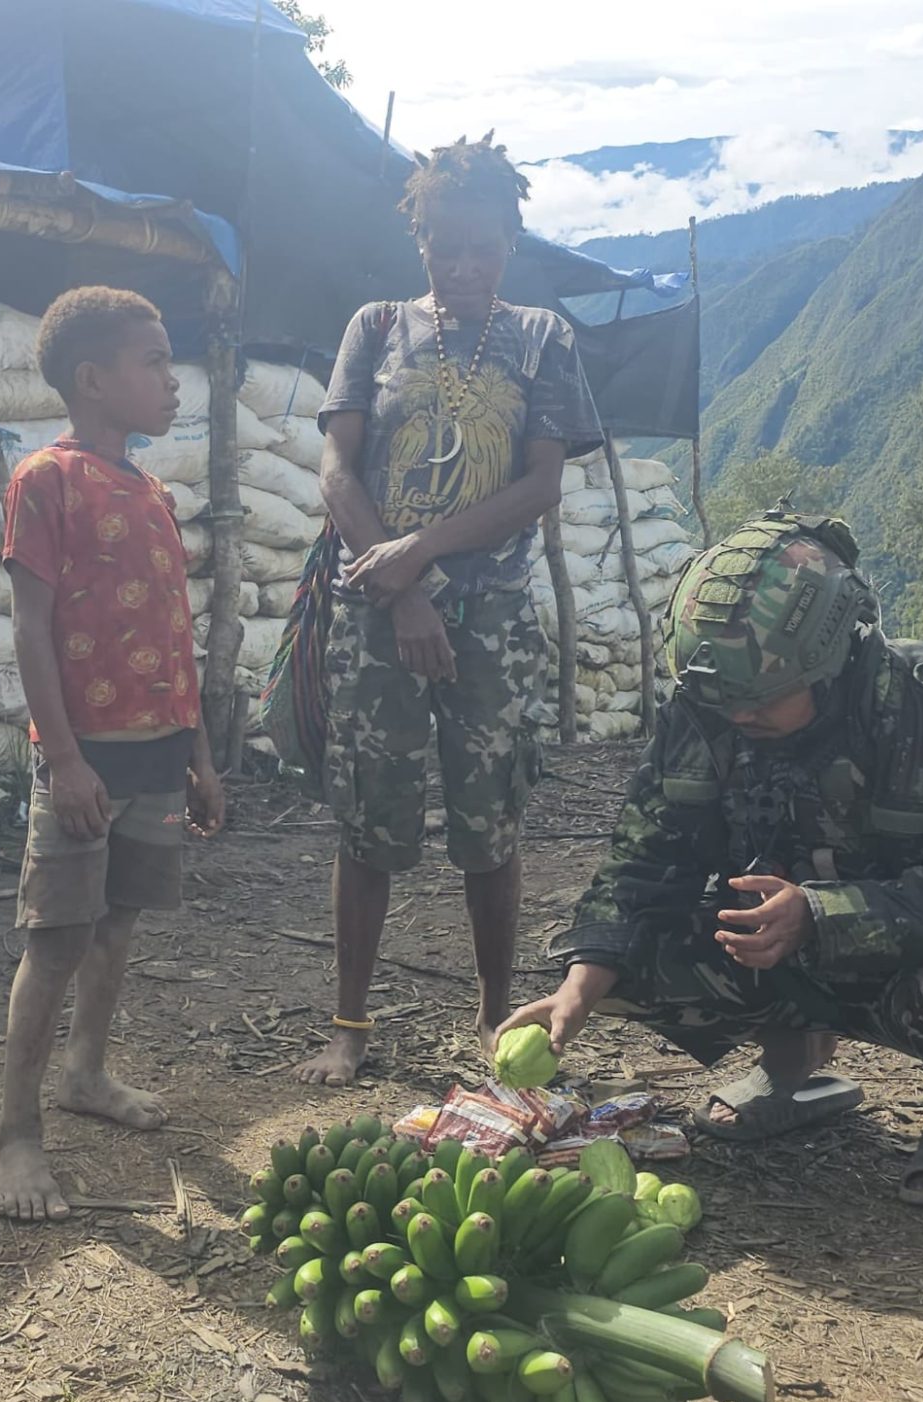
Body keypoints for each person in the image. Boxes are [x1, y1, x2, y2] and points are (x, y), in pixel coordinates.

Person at [499, 508, 923, 1209]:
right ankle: (793, 1069)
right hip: (778, 954)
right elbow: (644, 859)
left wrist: (823, 914)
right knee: (622, 956)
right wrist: (584, 982)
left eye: (759, 700)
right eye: (725, 700)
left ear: (831, 662)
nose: (737, 717)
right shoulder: (712, 705)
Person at [300, 133, 602, 1086]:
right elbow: (337, 469)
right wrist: (403, 589)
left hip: (493, 621)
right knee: (368, 818)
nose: (465, 266)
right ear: (419, 237)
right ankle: (350, 1023)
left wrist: (421, 553)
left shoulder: (543, 338)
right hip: (377, 614)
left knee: (490, 819)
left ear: (512, 239)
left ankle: (490, 1015)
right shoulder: (374, 328)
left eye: (485, 247)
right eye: (445, 245)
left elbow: (540, 487)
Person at [0, 286, 225, 1222]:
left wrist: (202, 755)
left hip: (160, 755)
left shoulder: (156, 492)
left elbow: (176, 639)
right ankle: (16, 1133)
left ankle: (86, 1072)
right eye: (154, 362)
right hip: (88, 764)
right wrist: (65, 757)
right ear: (93, 379)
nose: (173, 382)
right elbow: (32, 629)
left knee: (119, 923)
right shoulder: (45, 480)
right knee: (55, 942)